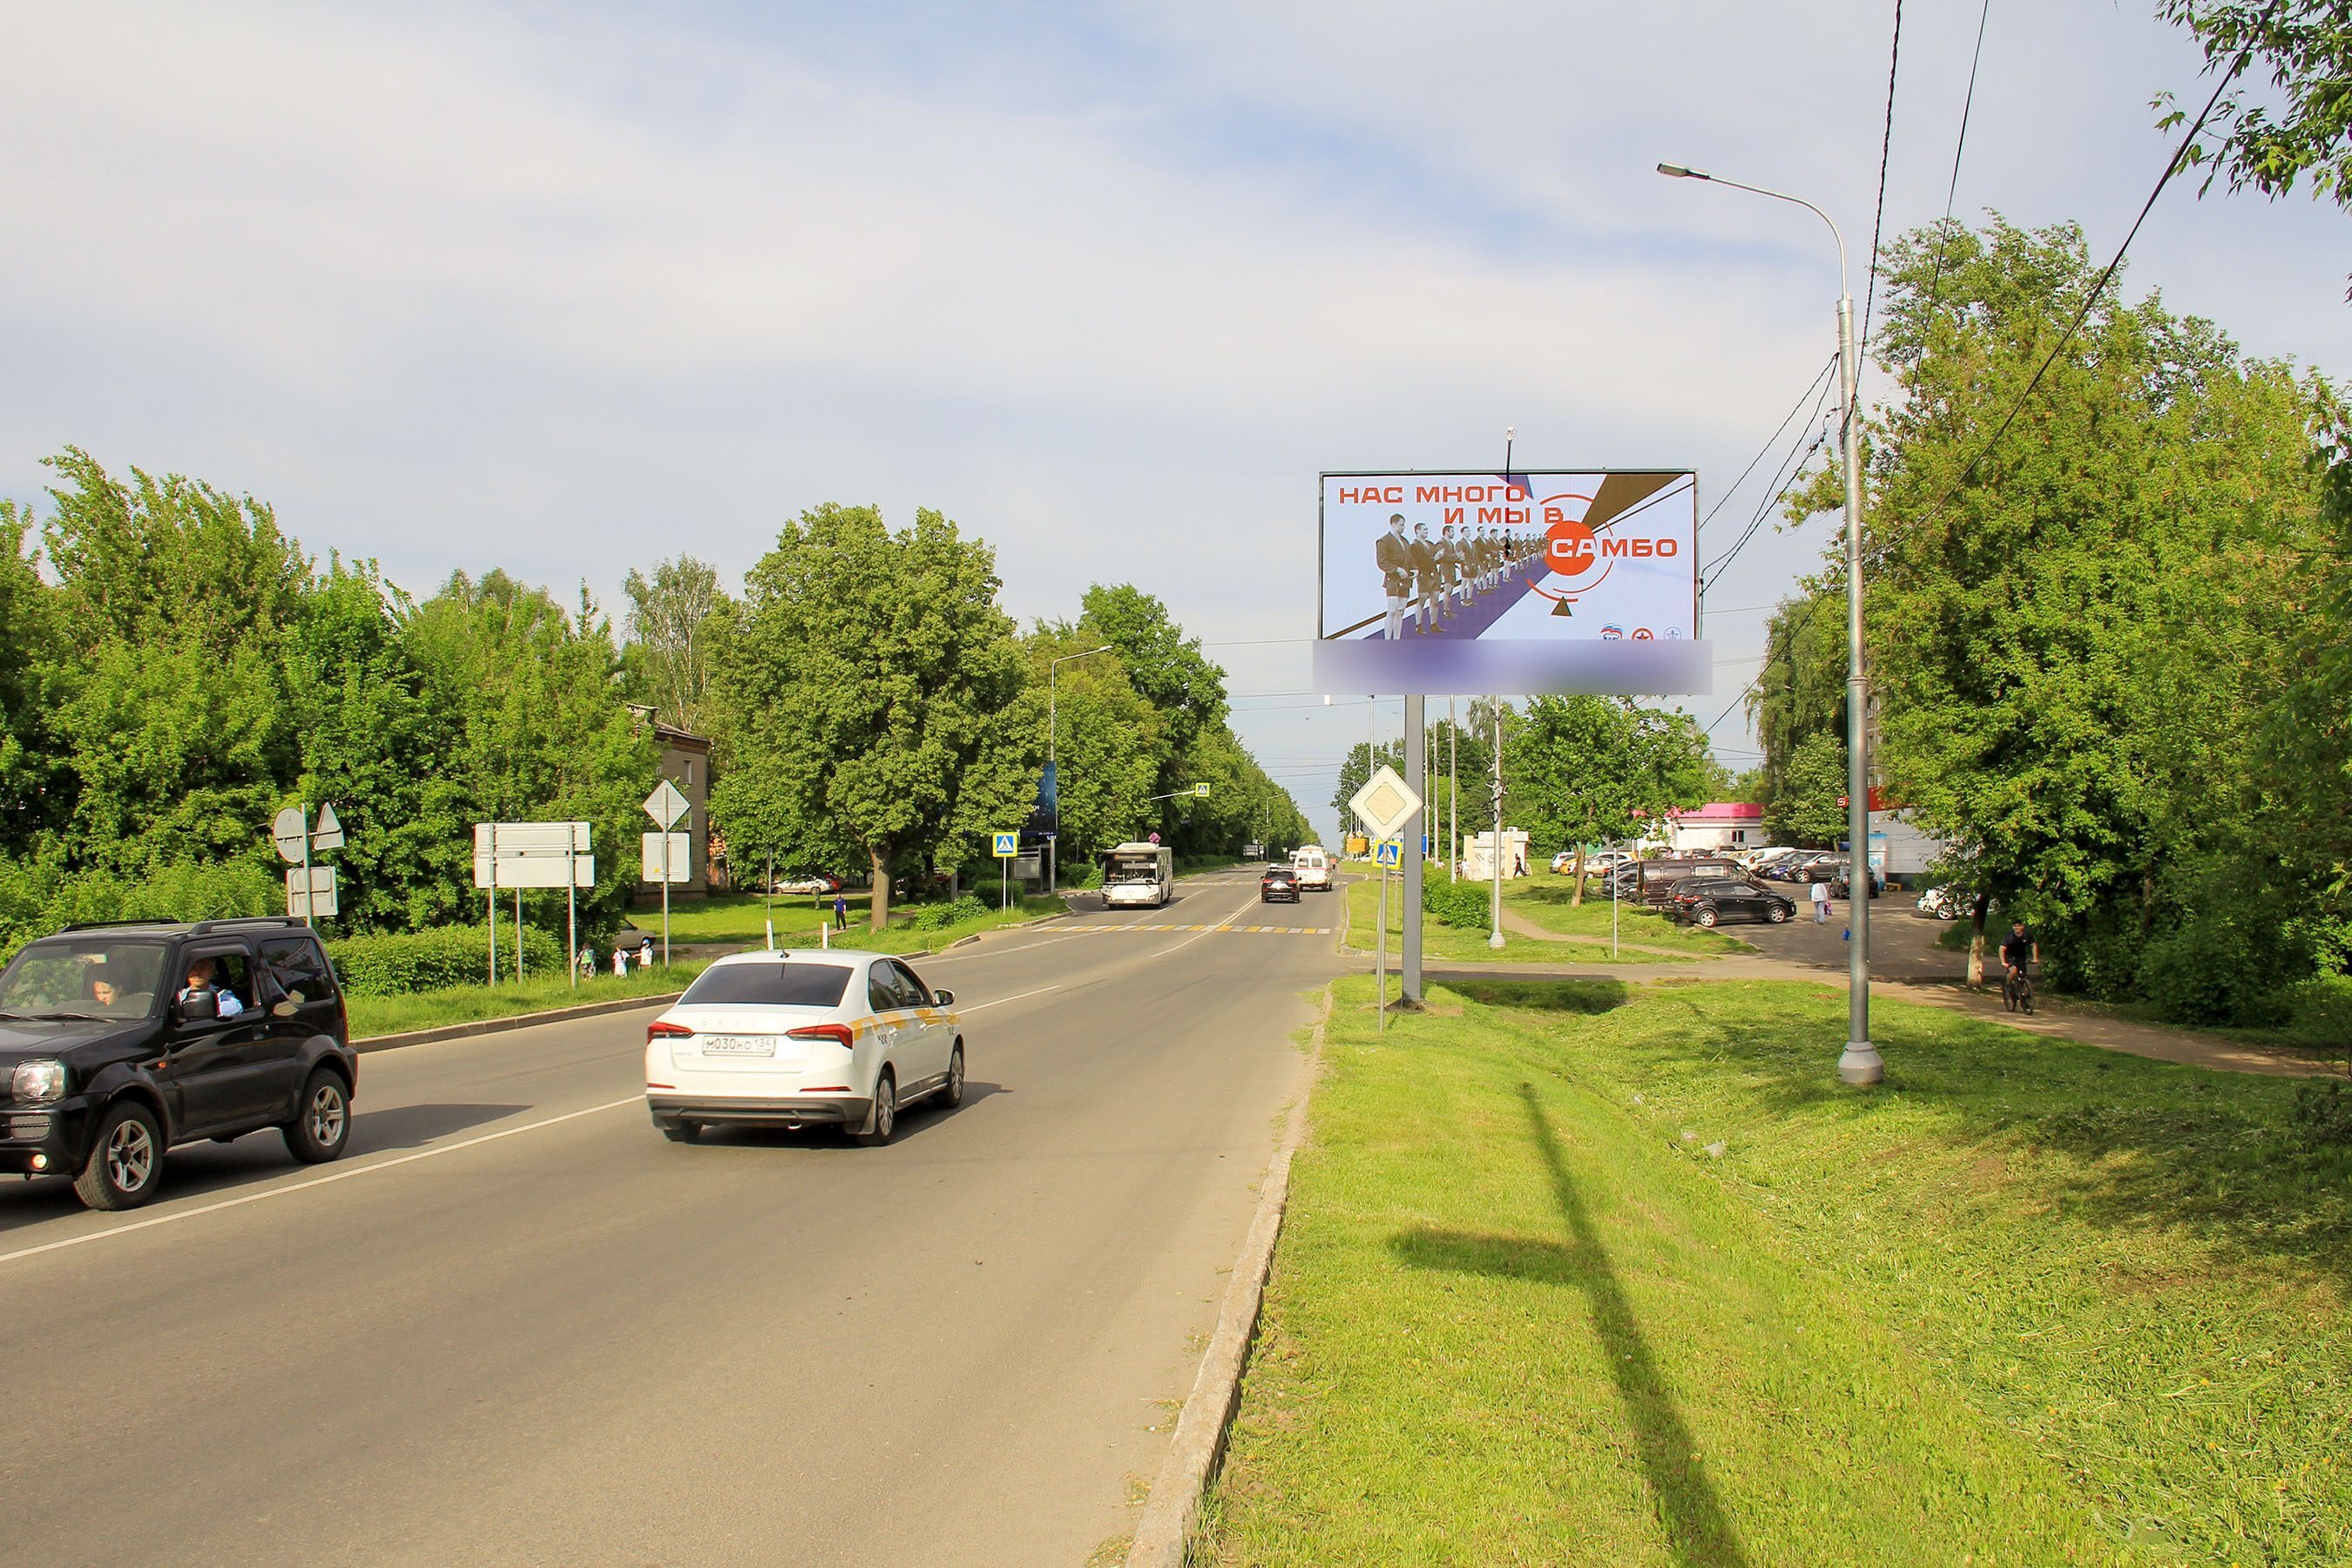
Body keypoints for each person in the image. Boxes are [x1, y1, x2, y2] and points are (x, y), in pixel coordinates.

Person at [1376, 513, 1412, 639]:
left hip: (1405, 580)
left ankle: (1397, 639)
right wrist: (1397, 569)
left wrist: (1415, 570)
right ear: (1393, 524)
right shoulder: (1383, 541)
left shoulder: (1405, 541)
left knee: (1401, 611)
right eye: (1401, 525)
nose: (1404, 527)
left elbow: (1410, 559)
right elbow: (1382, 562)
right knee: (1392, 610)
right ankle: (1387, 640)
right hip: (1392, 579)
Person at [178, 956, 244, 1017]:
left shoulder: (221, 993)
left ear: (212, 971)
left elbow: (236, 1007)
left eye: (203, 967)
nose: (197, 972)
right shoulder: (180, 995)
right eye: (193, 967)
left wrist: (203, 1010)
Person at [1409, 520, 1442, 634]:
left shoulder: (1430, 543)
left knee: (1435, 601)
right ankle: (1419, 626)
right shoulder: (1414, 546)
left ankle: (1434, 624)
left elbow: (1438, 556)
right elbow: (1421, 562)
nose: (1427, 531)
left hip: (1434, 575)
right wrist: (1435, 558)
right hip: (1424, 576)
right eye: (1424, 529)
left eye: (1427, 529)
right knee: (1422, 600)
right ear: (1418, 531)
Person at [2000, 918, 2038, 989]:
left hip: (2021, 957)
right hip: (2010, 956)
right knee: (2013, 971)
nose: (2017, 927)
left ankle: (2023, 991)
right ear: (2013, 927)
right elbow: (2001, 948)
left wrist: (2035, 958)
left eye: (2019, 926)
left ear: (2022, 927)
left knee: (2023, 975)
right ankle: (2008, 986)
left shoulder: (2027, 935)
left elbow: (2033, 945)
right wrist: (2003, 962)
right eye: (2015, 926)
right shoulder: (2009, 936)